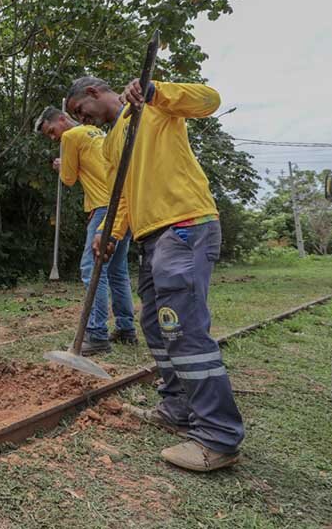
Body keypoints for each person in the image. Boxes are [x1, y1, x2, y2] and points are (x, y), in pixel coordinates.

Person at [65, 75, 244, 472]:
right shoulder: (112, 141)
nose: (82, 120)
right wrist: (109, 234)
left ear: (94, 93)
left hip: (185, 225)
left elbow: (209, 99)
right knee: (154, 324)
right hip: (152, 238)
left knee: (181, 328)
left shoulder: (153, 104)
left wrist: (157, 91)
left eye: (81, 111)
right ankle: (177, 408)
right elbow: (123, 197)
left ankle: (218, 437)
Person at [35, 106, 136, 355]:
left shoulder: (71, 136)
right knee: (117, 272)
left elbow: (68, 179)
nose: (53, 137)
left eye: (51, 131)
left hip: (104, 208)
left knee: (92, 269)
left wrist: (61, 166)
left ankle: (96, 334)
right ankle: (125, 329)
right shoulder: (95, 131)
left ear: (61, 119)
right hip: (124, 205)